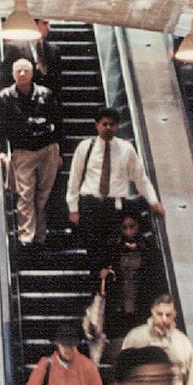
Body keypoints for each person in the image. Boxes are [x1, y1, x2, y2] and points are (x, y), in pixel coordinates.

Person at [68, 110, 165, 289]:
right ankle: (96, 287)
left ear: (117, 127)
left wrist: (153, 201)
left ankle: (109, 288)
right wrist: (73, 208)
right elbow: (75, 177)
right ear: (97, 125)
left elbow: (140, 177)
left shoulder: (126, 149)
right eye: (104, 124)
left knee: (111, 249)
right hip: (90, 204)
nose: (108, 128)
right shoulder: (85, 147)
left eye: (112, 125)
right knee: (93, 248)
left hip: (114, 206)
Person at [0, 56, 63, 250]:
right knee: (25, 194)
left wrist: (60, 151)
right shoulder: (5, 97)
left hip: (47, 148)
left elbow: (58, 122)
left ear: (32, 73)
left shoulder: (45, 94)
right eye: (18, 71)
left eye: (26, 70)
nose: (22, 74)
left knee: (44, 193)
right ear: (13, 74)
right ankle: (26, 237)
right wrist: (0, 151)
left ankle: (40, 235)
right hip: (23, 150)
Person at [97, 212, 167, 357]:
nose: (128, 232)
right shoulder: (112, 248)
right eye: (124, 228)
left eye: (132, 227)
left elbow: (158, 280)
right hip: (119, 308)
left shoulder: (150, 250)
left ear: (138, 226)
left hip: (142, 305)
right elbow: (101, 273)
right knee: (120, 349)